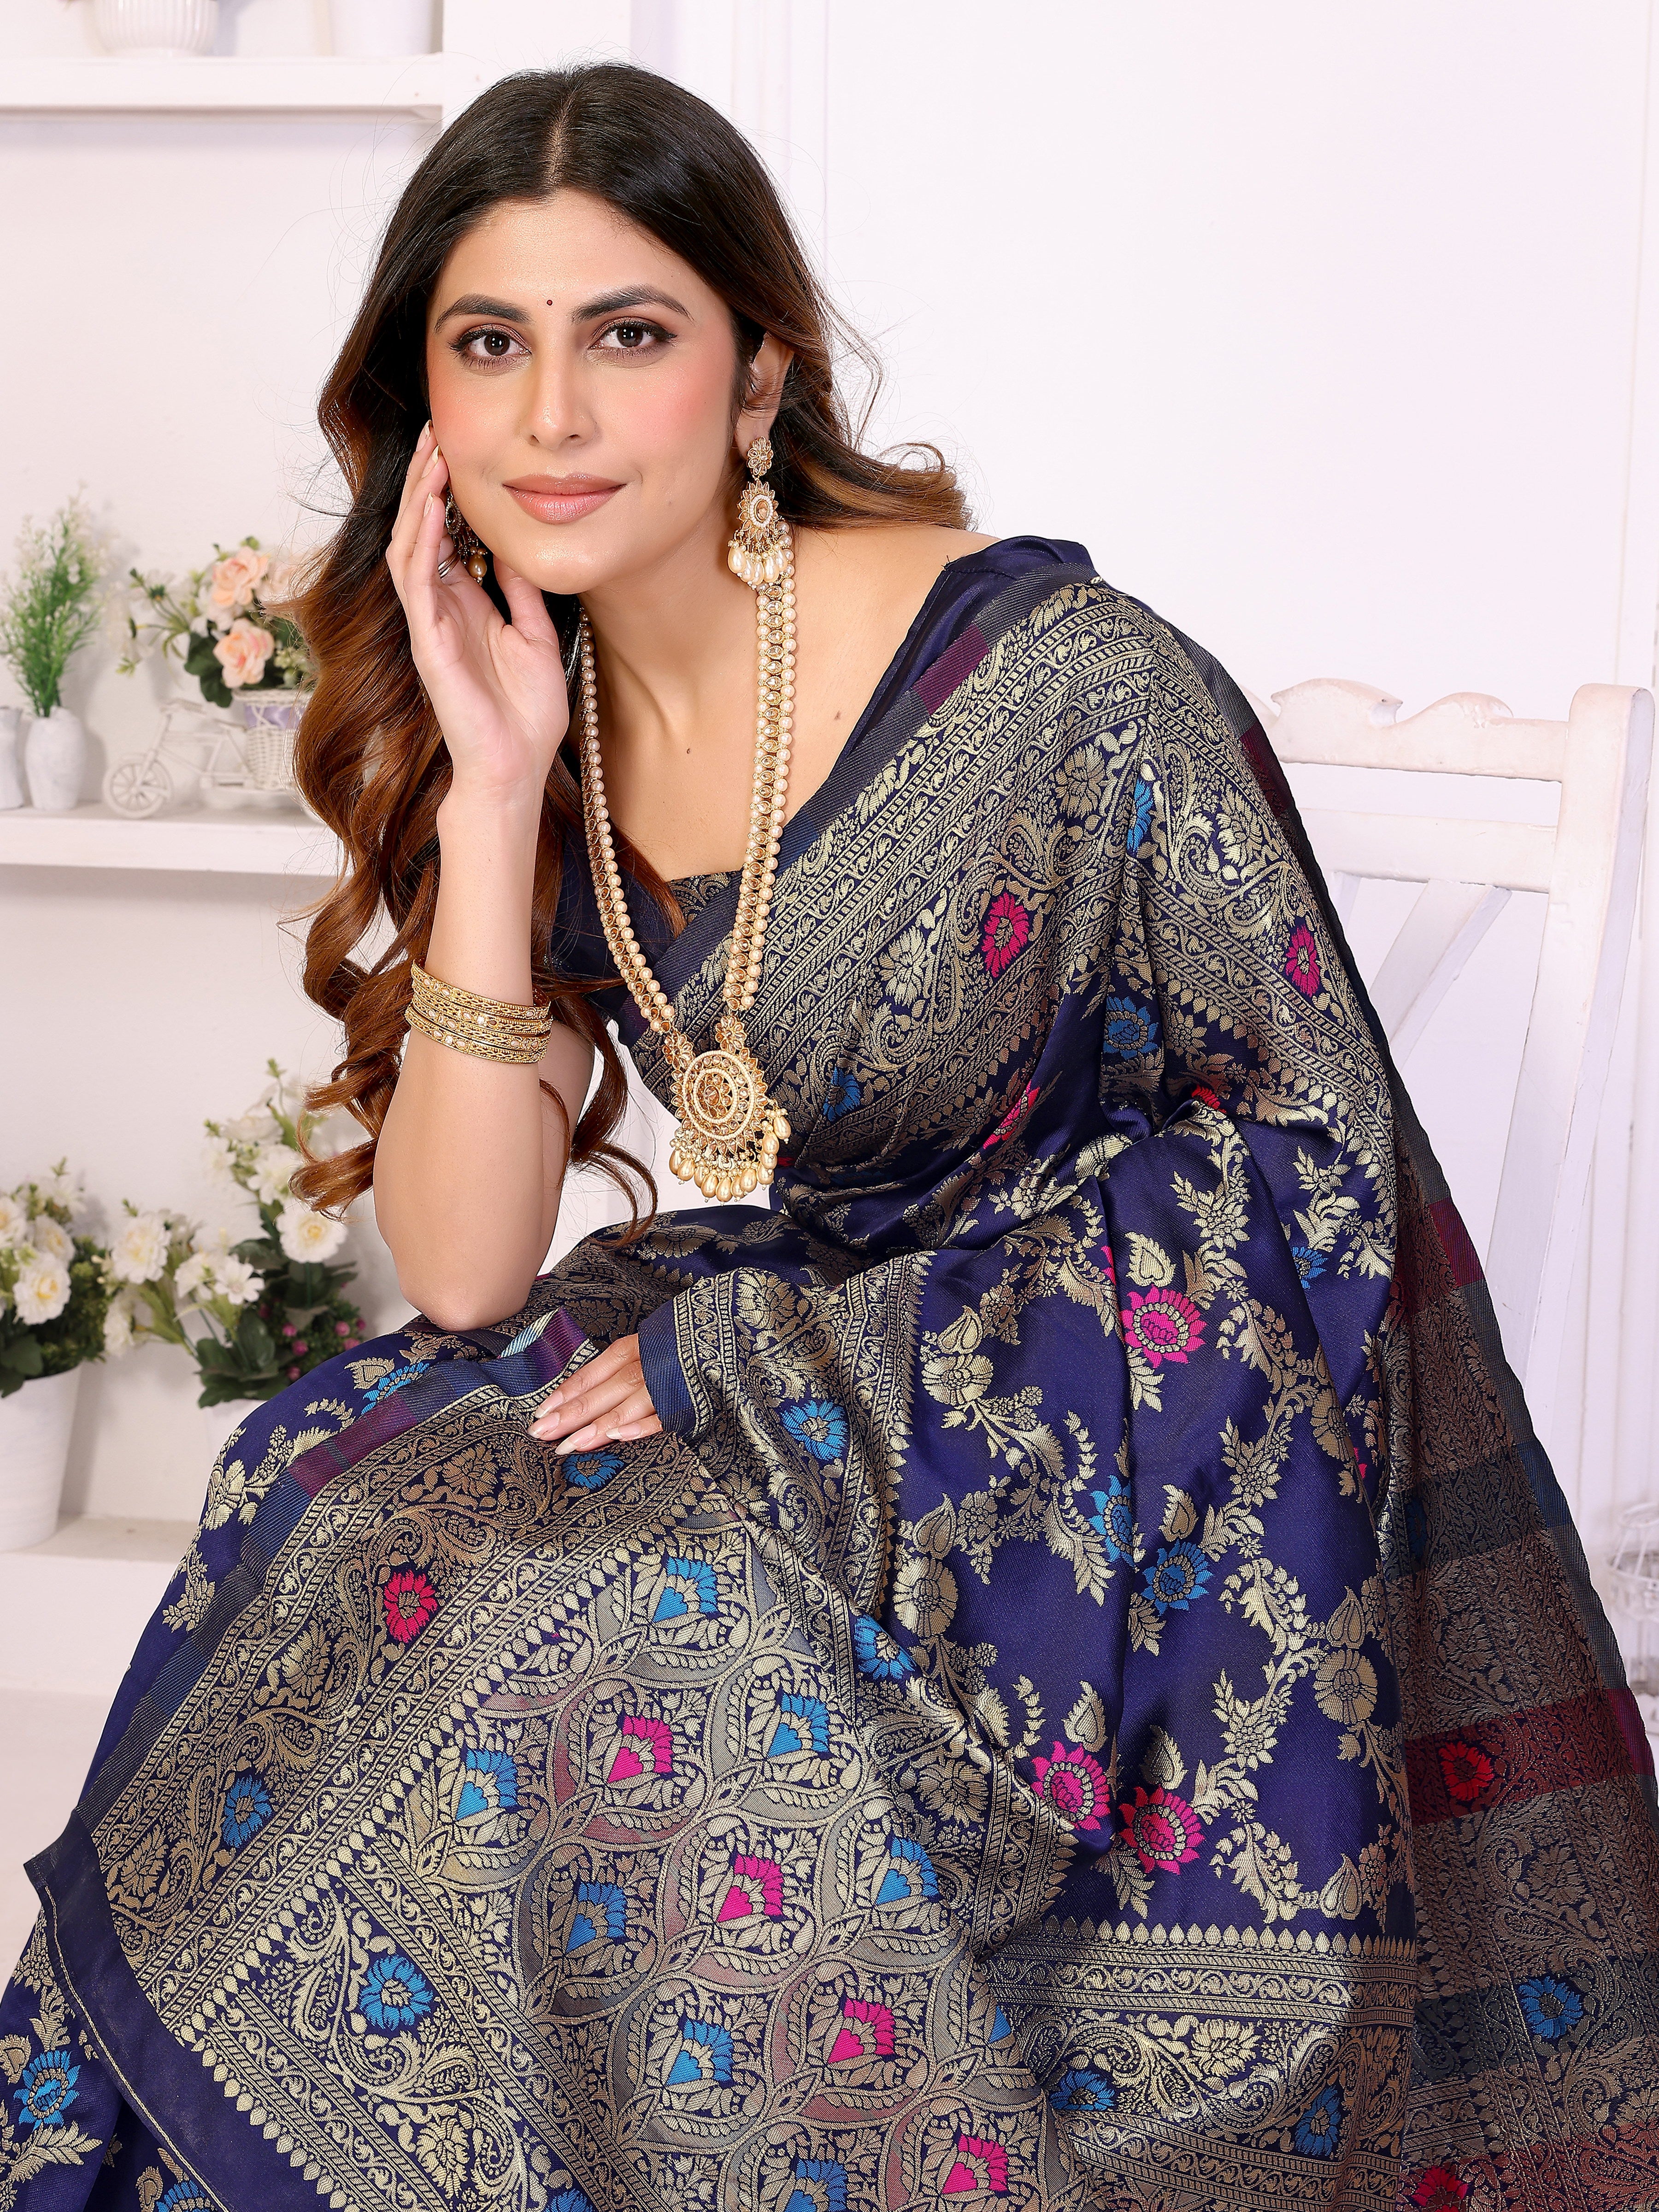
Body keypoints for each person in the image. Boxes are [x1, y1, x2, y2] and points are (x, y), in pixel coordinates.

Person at [2, 61, 1654, 2212]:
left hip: (1102, 1449)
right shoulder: (544, 703)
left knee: (565, 1624)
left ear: (759, 371)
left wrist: (803, 1371)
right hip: (804, 1321)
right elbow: (470, 1269)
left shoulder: (1065, 681)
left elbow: (1308, 1165)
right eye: (488, 346)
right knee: (333, 1485)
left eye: (628, 335)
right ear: (422, 409)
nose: (553, 418)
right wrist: (489, 790)